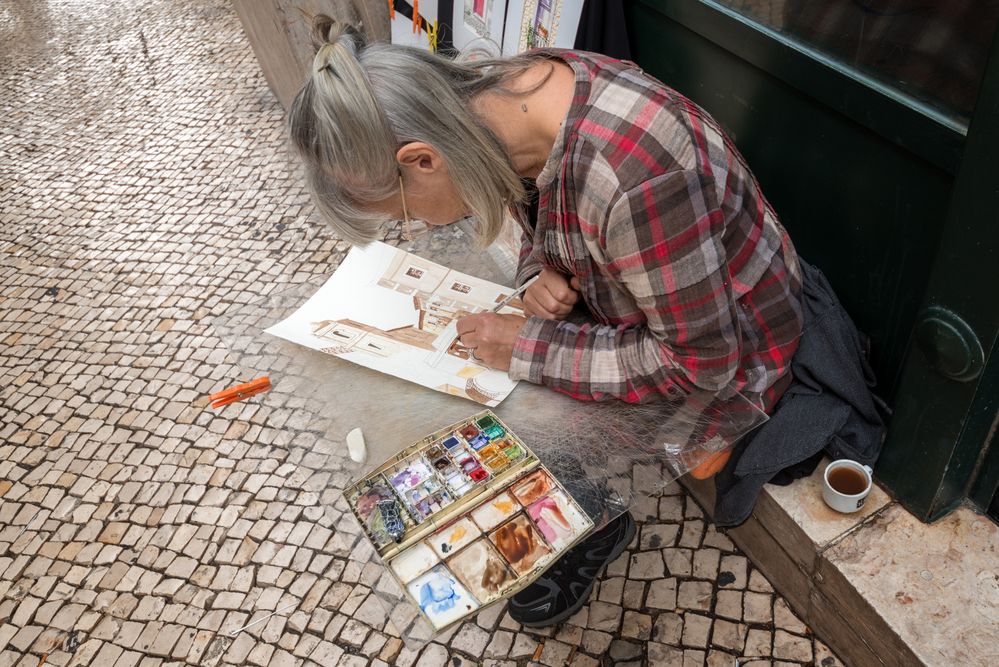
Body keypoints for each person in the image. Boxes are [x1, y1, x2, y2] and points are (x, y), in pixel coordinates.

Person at [287, 16, 804, 628]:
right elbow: (547, 207)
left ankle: (595, 521)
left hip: (735, 348)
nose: (419, 228)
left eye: (402, 214)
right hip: (643, 297)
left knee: (515, 409)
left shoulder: (632, 174)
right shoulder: (499, 100)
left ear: (421, 161)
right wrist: (538, 271)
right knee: (461, 388)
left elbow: (701, 362)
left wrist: (531, 347)